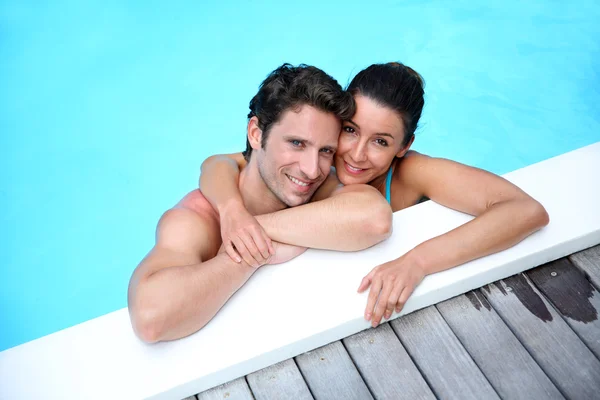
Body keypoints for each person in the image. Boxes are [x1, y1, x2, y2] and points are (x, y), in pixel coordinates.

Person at [198, 62, 550, 329]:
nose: (356, 154)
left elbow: (524, 210)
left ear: (405, 145)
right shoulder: (315, 162)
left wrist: (417, 262)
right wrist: (232, 211)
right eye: (350, 131)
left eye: (381, 141)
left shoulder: (411, 173)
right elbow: (221, 162)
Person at [127, 63, 394, 344]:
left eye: (325, 150)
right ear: (256, 134)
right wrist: (252, 254)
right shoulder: (196, 218)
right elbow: (151, 319)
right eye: (297, 143)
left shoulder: (314, 185)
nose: (312, 169)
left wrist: (255, 229)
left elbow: (375, 219)